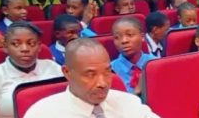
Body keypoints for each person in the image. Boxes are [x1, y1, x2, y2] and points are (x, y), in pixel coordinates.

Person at [24, 38, 160, 118]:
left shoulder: (128, 102)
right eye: (90, 74)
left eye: (107, 72)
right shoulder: (42, 113)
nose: (102, 83)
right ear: (67, 72)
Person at [0, 22, 63, 118]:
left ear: (39, 46)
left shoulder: (52, 67)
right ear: (5, 47)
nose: (25, 49)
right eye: (16, 44)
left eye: (31, 43)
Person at [111, 17, 156, 94]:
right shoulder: (110, 71)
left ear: (142, 37)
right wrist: (136, 91)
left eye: (130, 35)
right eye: (117, 37)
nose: (124, 41)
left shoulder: (155, 63)